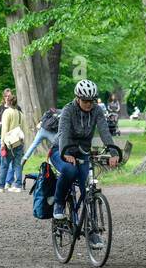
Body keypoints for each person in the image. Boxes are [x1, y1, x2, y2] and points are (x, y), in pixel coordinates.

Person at [50, 79, 117, 247]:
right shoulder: (68, 110)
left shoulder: (96, 111)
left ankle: (92, 232)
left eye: (91, 101)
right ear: (77, 98)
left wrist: (113, 152)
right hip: (60, 149)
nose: (89, 104)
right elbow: (63, 133)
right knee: (69, 171)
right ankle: (58, 204)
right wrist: (66, 152)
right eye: (85, 101)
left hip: (82, 152)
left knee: (88, 190)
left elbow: (104, 132)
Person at [0, 95, 25, 192]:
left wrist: (3, 143)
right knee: (17, 165)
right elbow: (23, 129)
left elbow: (4, 129)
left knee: (4, 165)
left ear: (8, 102)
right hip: (19, 142)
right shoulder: (21, 114)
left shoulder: (7, 112)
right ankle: (18, 186)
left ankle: (0, 186)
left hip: (9, 143)